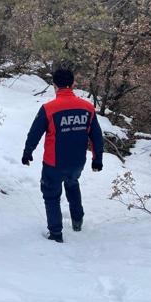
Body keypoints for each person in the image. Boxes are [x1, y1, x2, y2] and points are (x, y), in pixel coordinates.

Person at [22, 69, 104, 243]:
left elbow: (34, 133)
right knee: (72, 183)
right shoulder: (88, 108)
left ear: (54, 85)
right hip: (77, 162)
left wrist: (27, 153)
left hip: (53, 163)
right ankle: (77, 220)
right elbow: (96, 136)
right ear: (73, 84)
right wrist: (97, 160)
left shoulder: (49, 109)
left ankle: (56, 234)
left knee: (51, 195)